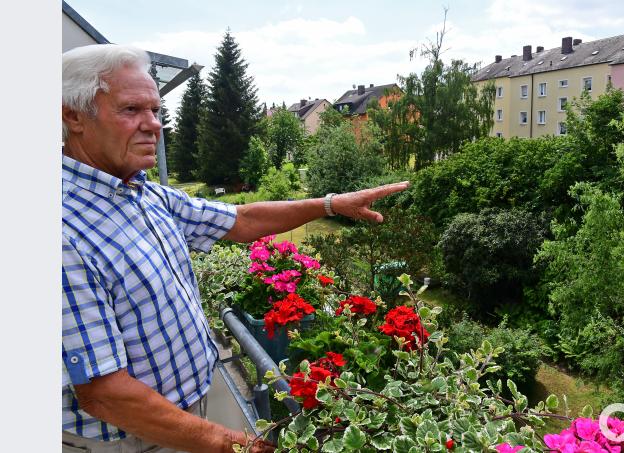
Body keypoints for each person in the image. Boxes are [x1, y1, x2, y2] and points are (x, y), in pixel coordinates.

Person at [61, 44, 408, 453]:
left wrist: (330, 204)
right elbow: (103, 392)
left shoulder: (142, 194)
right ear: (74, 116)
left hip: (184, 413)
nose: (153, 125)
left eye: (156, 111)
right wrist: (230, 444)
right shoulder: (62, 229)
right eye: (132, 110)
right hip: (128, 439)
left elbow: (241, 220)